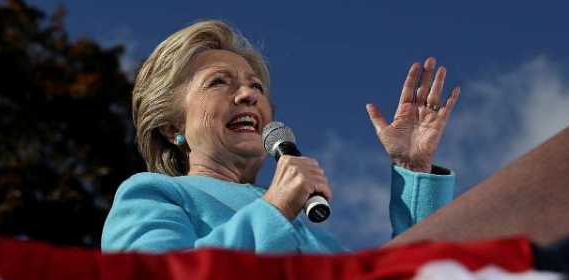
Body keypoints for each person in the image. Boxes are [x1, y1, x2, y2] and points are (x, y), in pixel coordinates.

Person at [101, 20, 460, 253]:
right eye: (219, 82)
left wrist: (412, 167)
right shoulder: (152, 196)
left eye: (255, 85)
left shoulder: (323, 242)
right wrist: (274, 210)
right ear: (172, 128)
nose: (248, 95)